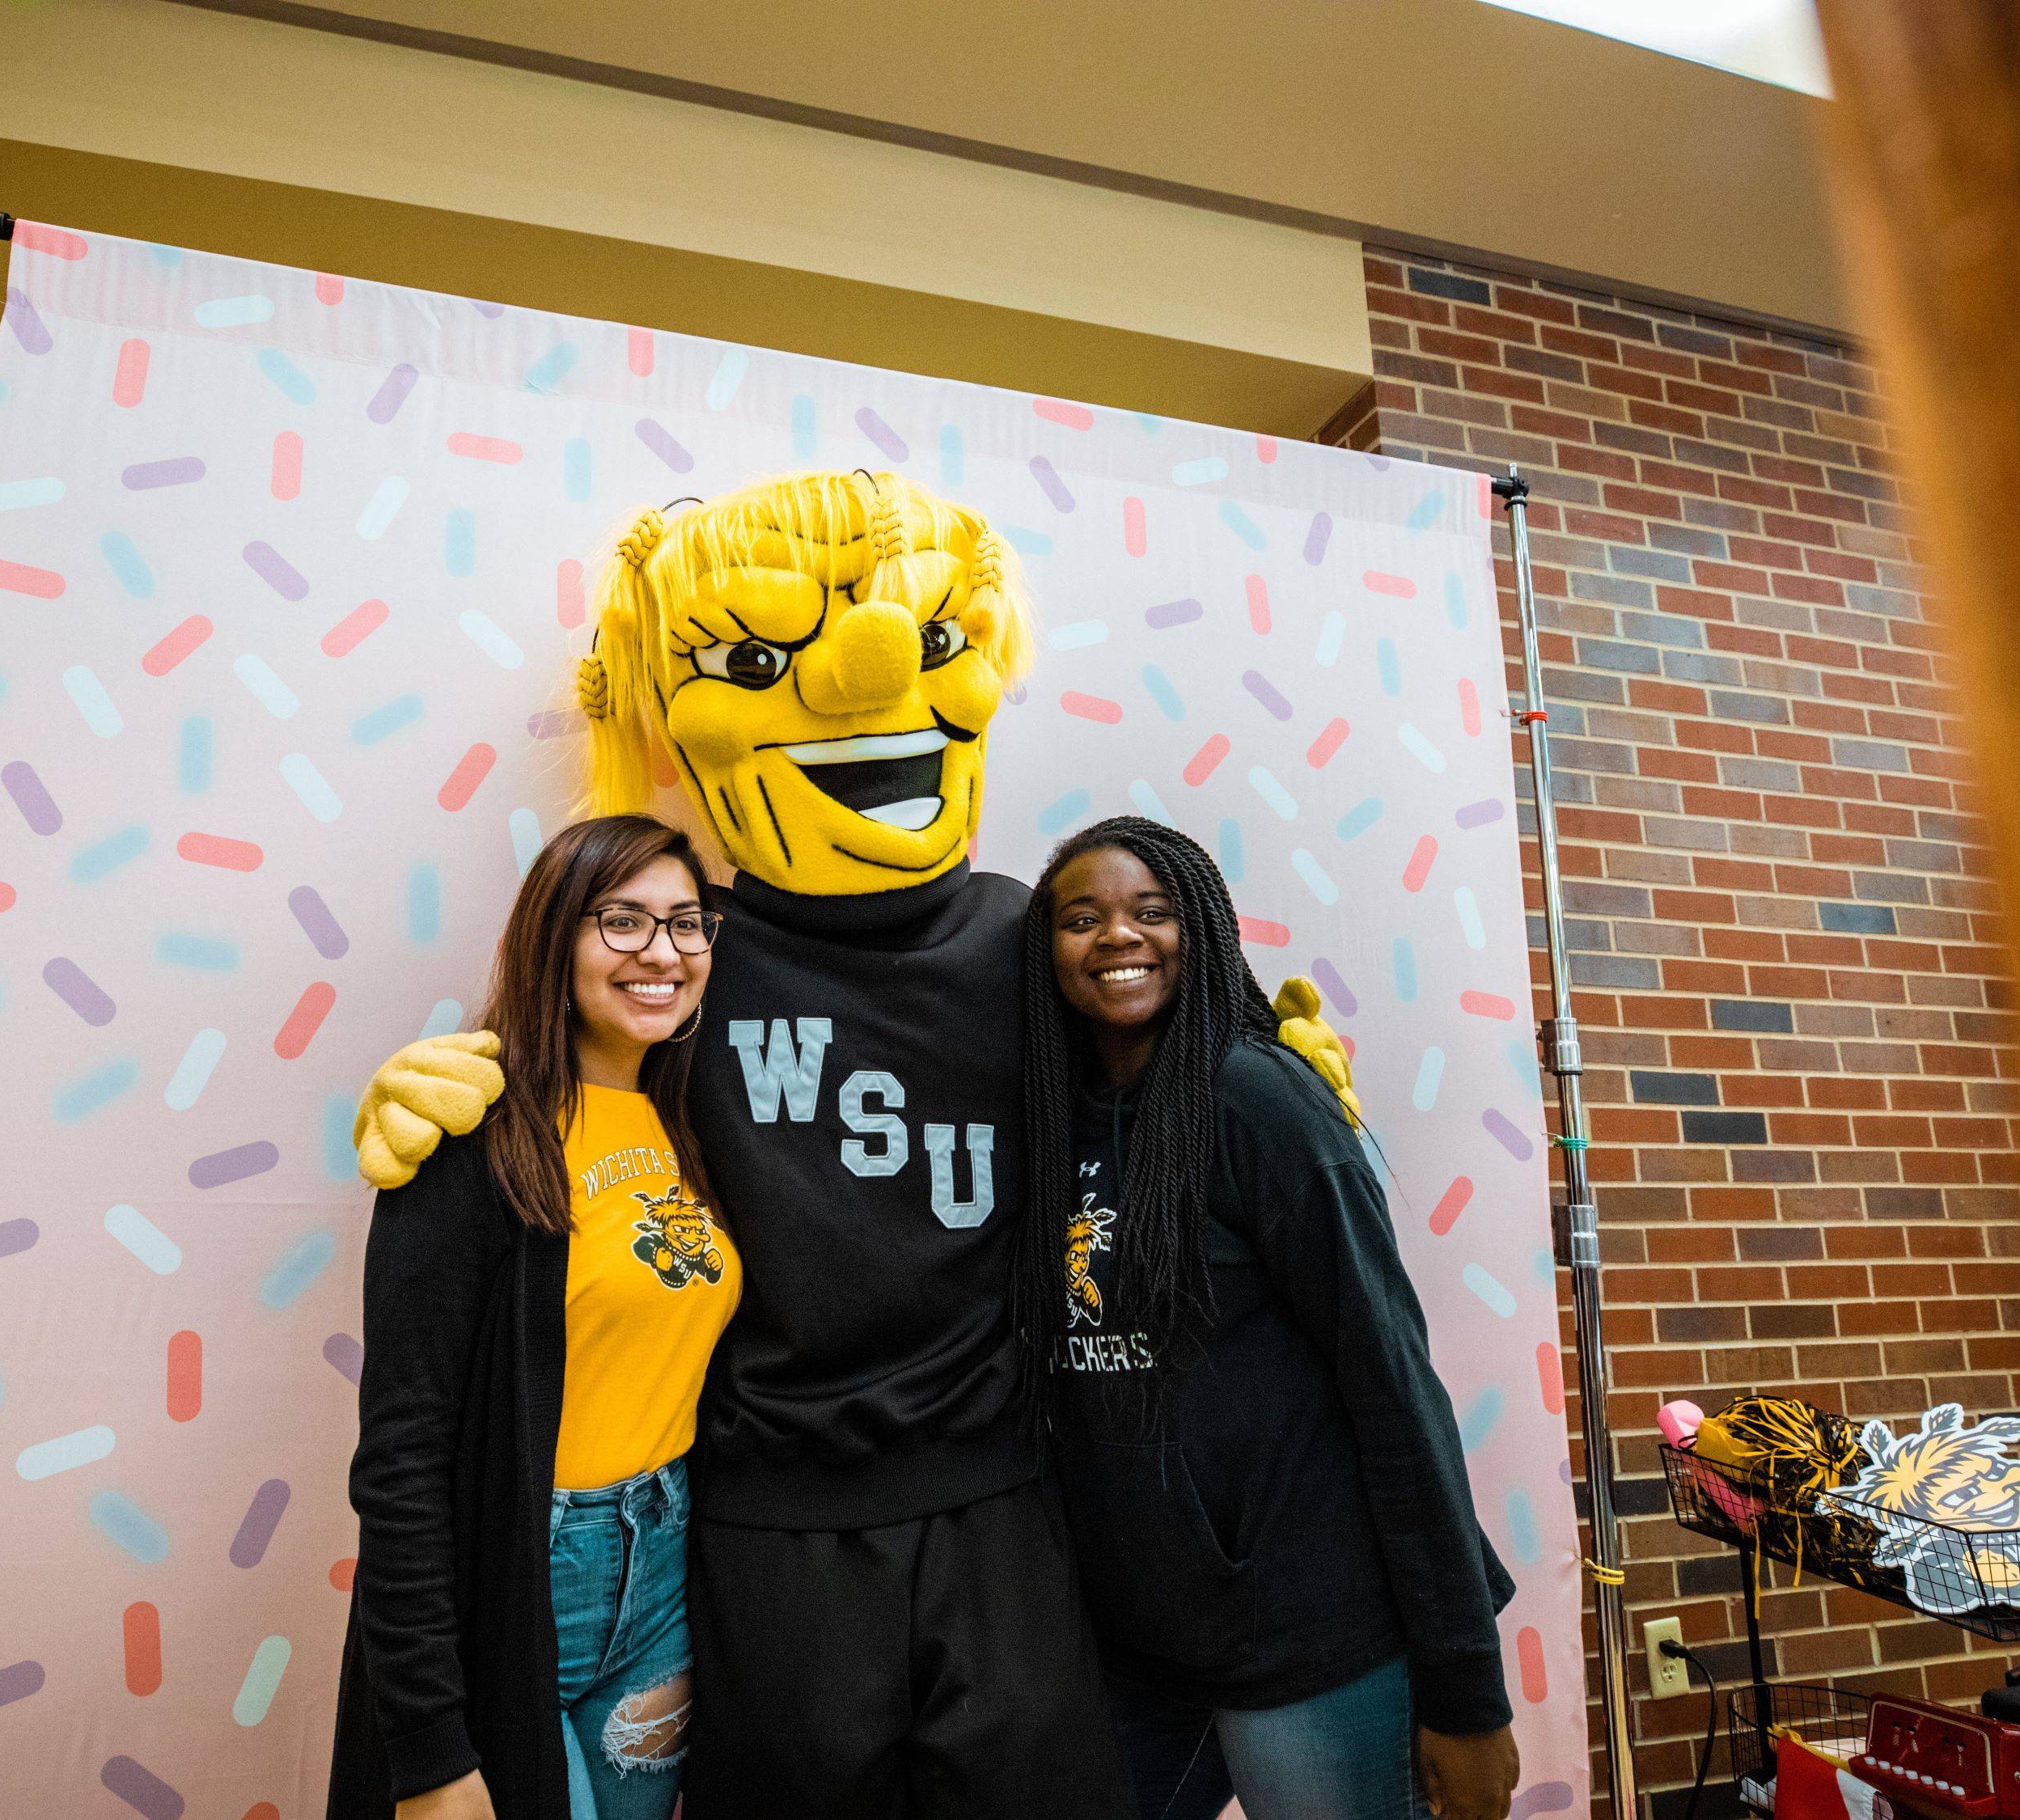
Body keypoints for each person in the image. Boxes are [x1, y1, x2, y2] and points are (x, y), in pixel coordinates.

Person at [349, 472, 1356, 1820]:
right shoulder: (698, 955)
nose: (871, 671)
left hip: (1005, 1506)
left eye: (929, 641)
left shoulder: (1029, 936)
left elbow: (1165, 1041)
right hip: (760, 1533)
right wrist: (451, 1091)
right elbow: (581, 1062)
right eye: (765, 659)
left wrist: (1277, 1072)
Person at [1020, 815, 1522, 1820]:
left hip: (1309, 1638)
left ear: (1202, 931)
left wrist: (1466, 1691)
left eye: (1152, 912)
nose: (1119, 936)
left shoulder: (1259, 1099)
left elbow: (1392, 1383)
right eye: (1082, 918)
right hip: (1138, 1651)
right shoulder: (1048, 1117)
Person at [328, 815, 741, 1820]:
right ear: (555, 938)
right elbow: (403, 1455)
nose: (664, 953)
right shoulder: (472, 1134)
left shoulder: (696, 1120)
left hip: (662, 1568)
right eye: (624, 922)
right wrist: (424, 1745)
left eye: (687, 924)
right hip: (519, 1572)